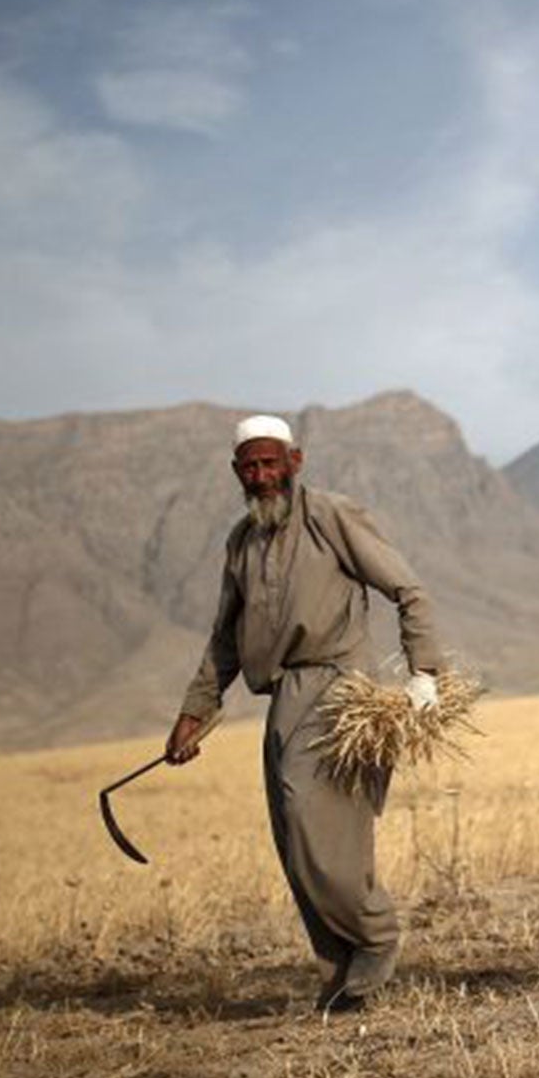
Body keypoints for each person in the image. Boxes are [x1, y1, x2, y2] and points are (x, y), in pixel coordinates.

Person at [165, 415, 446, 1013]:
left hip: (341, 691)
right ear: (236, 471)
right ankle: (344, 976)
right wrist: (196, 713)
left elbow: (409, 590)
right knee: (294, 840)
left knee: (316, 820)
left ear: (296, 461)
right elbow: (224, 639)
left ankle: (375, 936)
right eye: (250, 467)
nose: (262, 477)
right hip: (284, 698)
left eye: (272, 464)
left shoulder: (331, 516)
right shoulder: (241, 542)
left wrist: (425, 674)